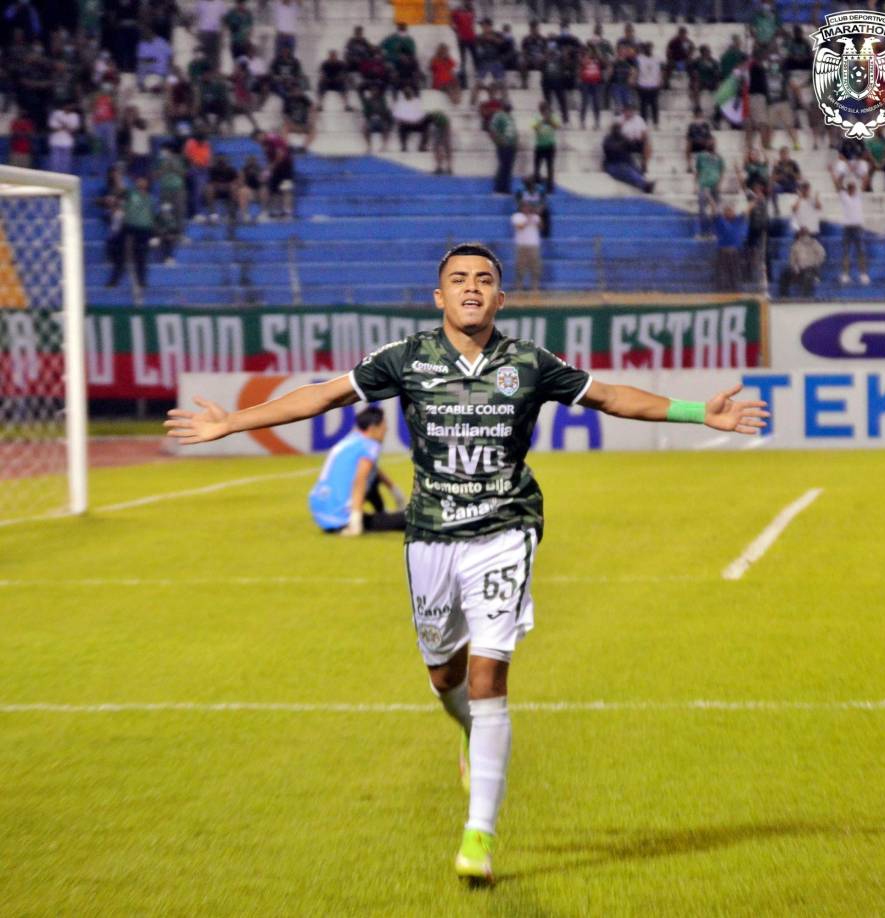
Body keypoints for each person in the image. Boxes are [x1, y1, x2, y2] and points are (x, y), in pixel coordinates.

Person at [165, 241, 769, 887]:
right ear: (440, 297)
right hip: (430, 535)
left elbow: (611, 396)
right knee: (442, 672)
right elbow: (322, 395)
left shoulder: (529, 363)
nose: (472, 287)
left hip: (506, 529)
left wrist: (694, 411)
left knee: (488, 676)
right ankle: (464, 731)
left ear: (501, 298)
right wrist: (233, 423)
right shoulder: (407, 358)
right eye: (459, 280)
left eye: (484, 279)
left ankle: (478, 834)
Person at [309, 406, 406, 535]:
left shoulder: (351, 439)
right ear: (372, 429)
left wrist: (393, 488)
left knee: (372, 476)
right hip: (342, 519)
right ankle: (360, 520)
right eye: (383, 426)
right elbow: (360, 479)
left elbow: (373, 470)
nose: (386, 429)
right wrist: (356, 517)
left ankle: (379, 513)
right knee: (410, 519)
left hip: (321, 513)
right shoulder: (370, 445)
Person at [838, 181, 869, 286]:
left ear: (855, 188)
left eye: (853, 187)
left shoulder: (859, 195)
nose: (852, 189)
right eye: (850, 187)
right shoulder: (844, 196)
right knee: (846, 252)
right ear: (847, 188)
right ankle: (845, 275)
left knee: (861, 251)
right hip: (847, 227)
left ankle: (863, 274)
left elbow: (865, 182)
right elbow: (839, 185)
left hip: (858, 227)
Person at [778, 228, 825, 297]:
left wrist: (814, 264)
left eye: (806, 235)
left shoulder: (815, 244)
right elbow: (792, 260)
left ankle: (805, 297)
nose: (804, 237)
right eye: (802, 235)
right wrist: (795, 267)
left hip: (811, 268)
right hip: (799, 269)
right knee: (785, 273)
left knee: (808, 275)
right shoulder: (795, 245)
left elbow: (822, 256)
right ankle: (784, 295)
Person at [511, 202, 542, 291]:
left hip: (533, 245)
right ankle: (519, 286)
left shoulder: (535, 217)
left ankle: (535, 286)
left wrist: (537, 217)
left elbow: (541, 227)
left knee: (535, 267)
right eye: (525, 207)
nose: (527, 209)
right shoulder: (517, 216)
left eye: (529, 207)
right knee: (520, 267)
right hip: (521, 245)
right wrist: (529, 219)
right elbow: (520, 226)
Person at [488, 100, 517, 195]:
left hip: (512, 146)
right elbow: (492, 129)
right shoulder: (498, 115)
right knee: (503, 167)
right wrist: (499, 141)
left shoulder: (510, 117)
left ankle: (506, 188)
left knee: (508, 168)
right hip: (503, 146)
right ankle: (498, 188)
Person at [532, 101, 559, 193]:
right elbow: (534, 127)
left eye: (545, 108)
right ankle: (536, 186)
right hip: (539, 146)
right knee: (537, 168)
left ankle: (550, 188)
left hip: (550, 146)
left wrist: (549, 120)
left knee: (550, 168)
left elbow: (557, 126)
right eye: (542, 109)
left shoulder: (552, 117)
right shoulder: (536, 117)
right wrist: (542, 120)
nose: (544, 110)